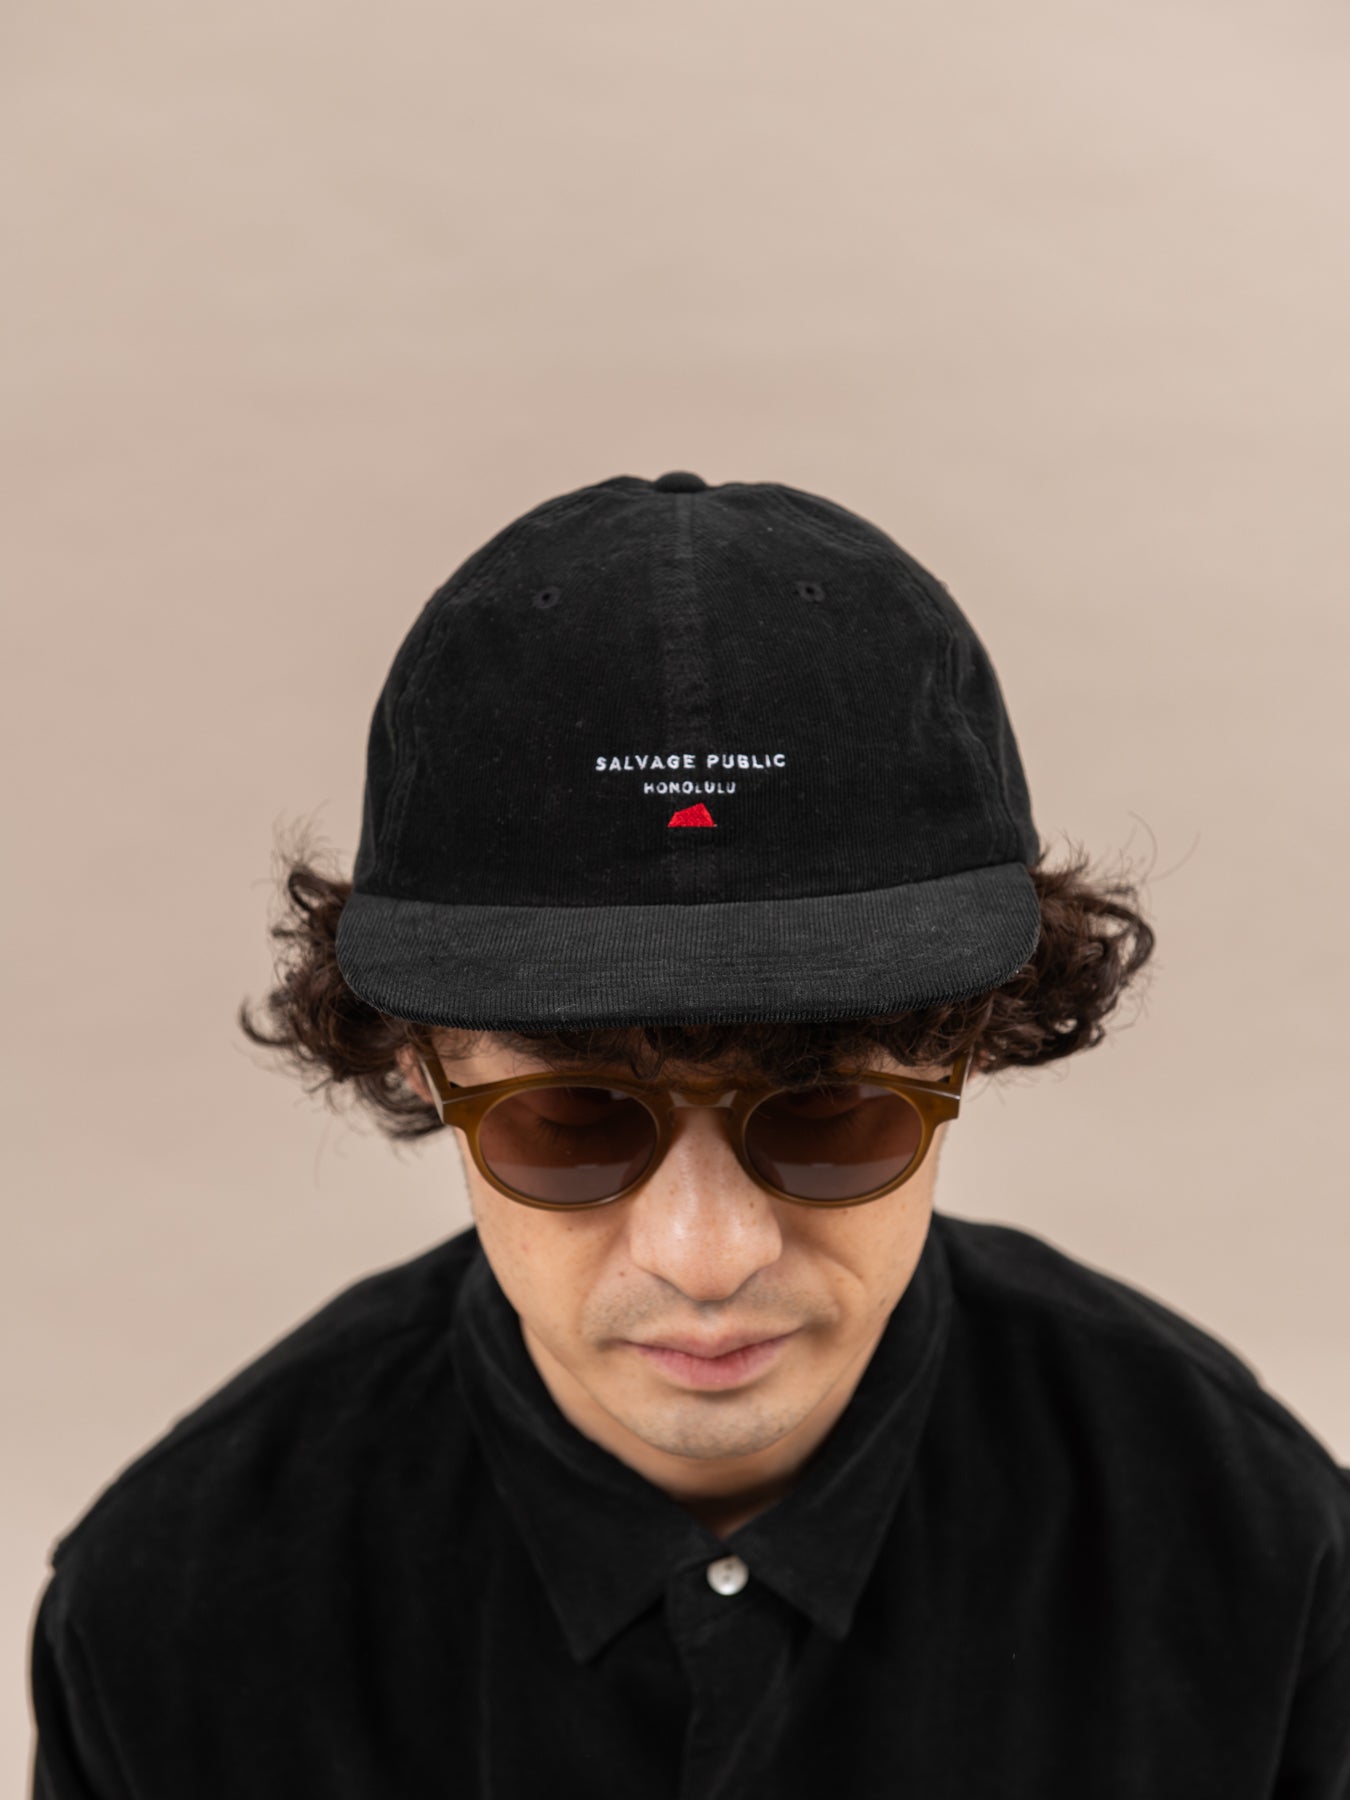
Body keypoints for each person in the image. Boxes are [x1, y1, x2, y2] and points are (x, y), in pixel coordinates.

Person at [28, 471, 1350, 1797]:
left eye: (831, 1114)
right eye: (571, 1123)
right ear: (421, 1069)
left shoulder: (1254, 1546)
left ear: (969, 1051)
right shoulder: (167, 1617)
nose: (706, 1256)